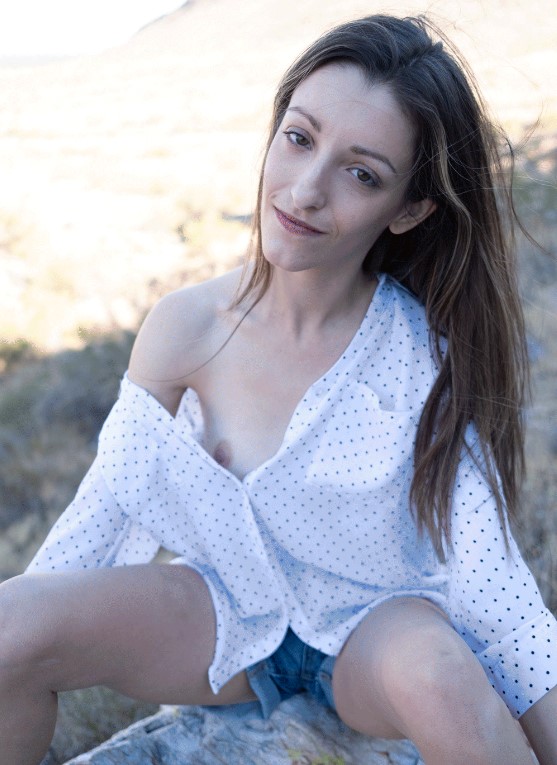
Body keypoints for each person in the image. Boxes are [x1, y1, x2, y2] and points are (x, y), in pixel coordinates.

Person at [0, 14, 555, 765]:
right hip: (225, 621)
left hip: (372, 645)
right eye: (299, 138)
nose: (305, 189)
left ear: (409, 209)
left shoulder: (424, 359)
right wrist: (32, 628)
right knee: (9, 625)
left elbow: (499, 599)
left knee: (436, 672)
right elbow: (102, 514)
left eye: (361, 174)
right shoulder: (185, 327)